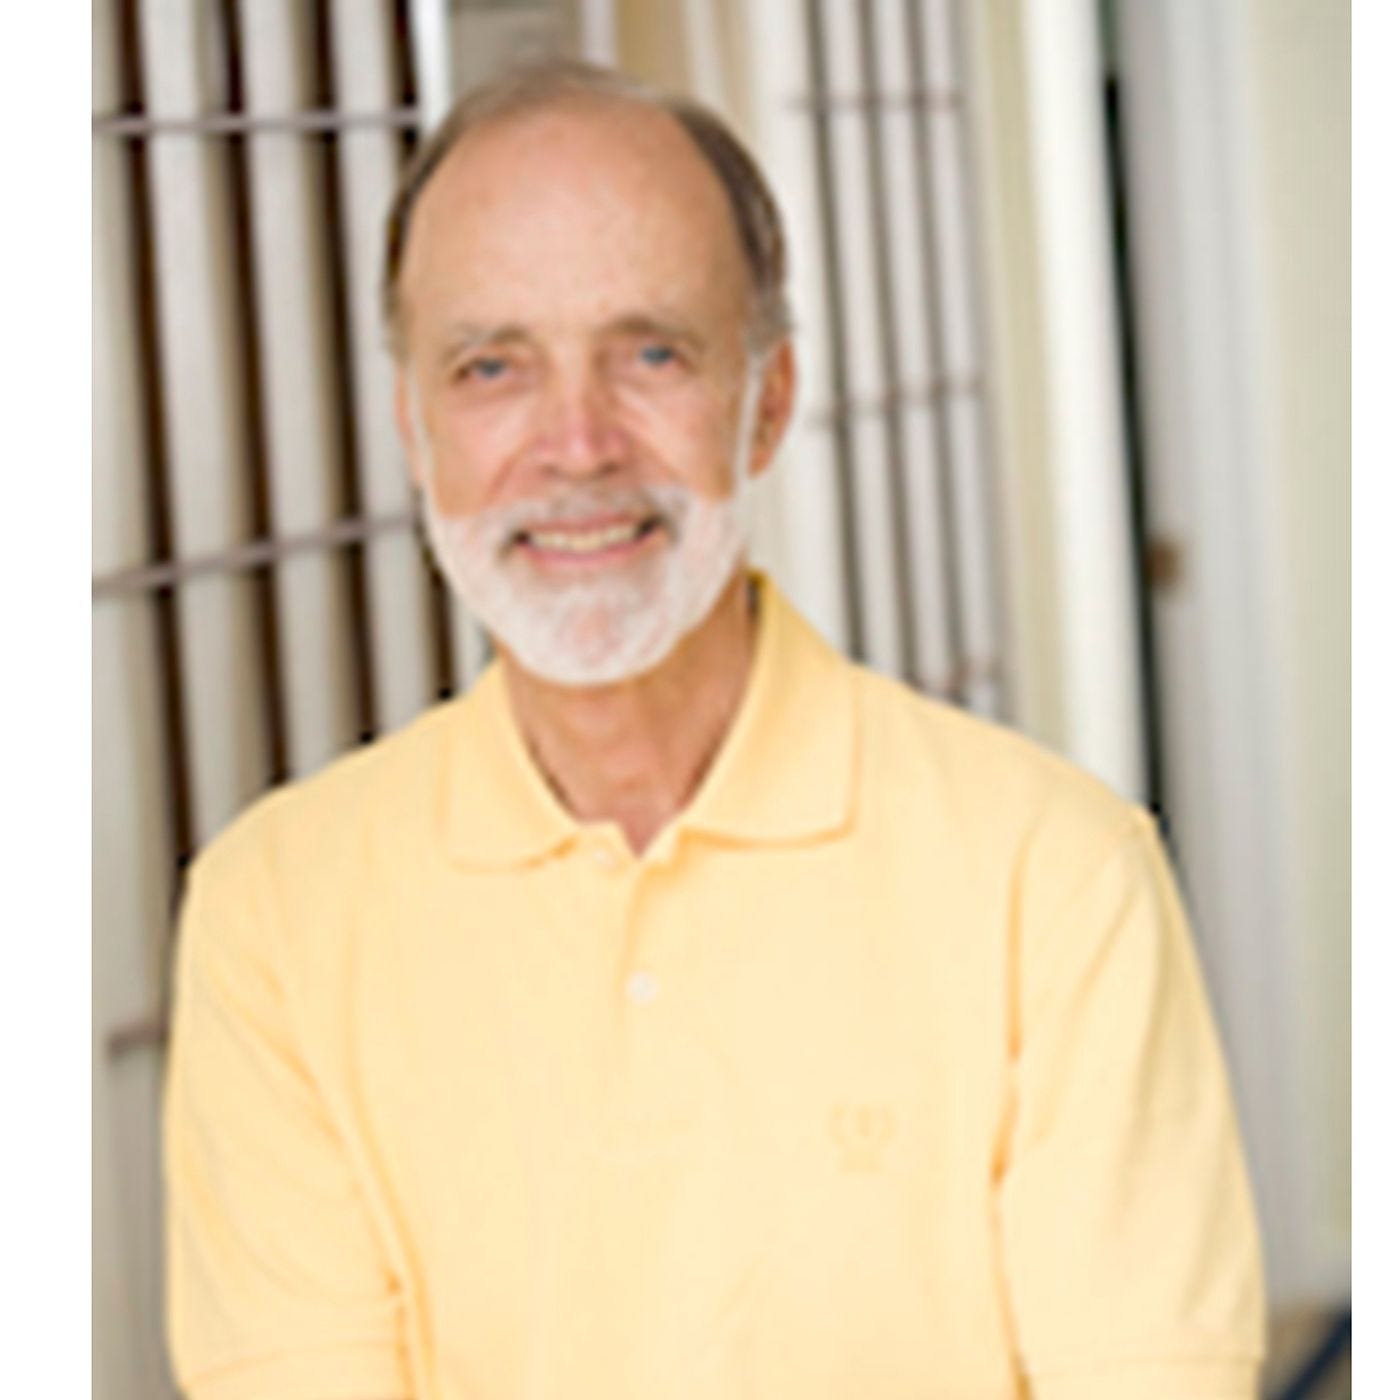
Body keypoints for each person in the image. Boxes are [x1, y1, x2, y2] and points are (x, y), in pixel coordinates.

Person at [163, 60, 1265, 1400]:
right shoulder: (275, 911)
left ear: (769, 399)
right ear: (416, 424)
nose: (577, 445)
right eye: (492, 366)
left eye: (653, 354)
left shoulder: (1056, 874)